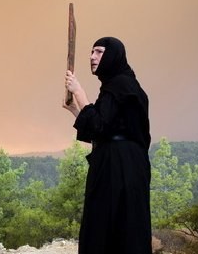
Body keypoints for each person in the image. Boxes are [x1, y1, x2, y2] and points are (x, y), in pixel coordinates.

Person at [63, 37, 152, 254]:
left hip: (120, 167)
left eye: (99, 52)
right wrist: (76, 109)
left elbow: (100, 125)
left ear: (114, 55)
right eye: (91, 52)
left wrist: (79, 93)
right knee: (111, 225)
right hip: (119, 163)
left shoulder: (121, 85)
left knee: (116, 226)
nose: (92, 57)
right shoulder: (117, 86)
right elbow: (104, 129)